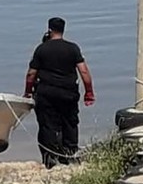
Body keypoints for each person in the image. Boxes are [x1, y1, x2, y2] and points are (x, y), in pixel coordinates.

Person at [24, 17, 95, 169]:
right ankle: (69, 155)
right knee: (70, 123)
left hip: (46, 94)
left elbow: (31, 74)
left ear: (49, 30)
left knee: (47, 125)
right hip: (68, 94)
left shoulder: (41, 49)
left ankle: (50, 159)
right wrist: (89, 92)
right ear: (63, 30)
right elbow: (84, 71)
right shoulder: (73, 48)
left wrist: (28, 92)